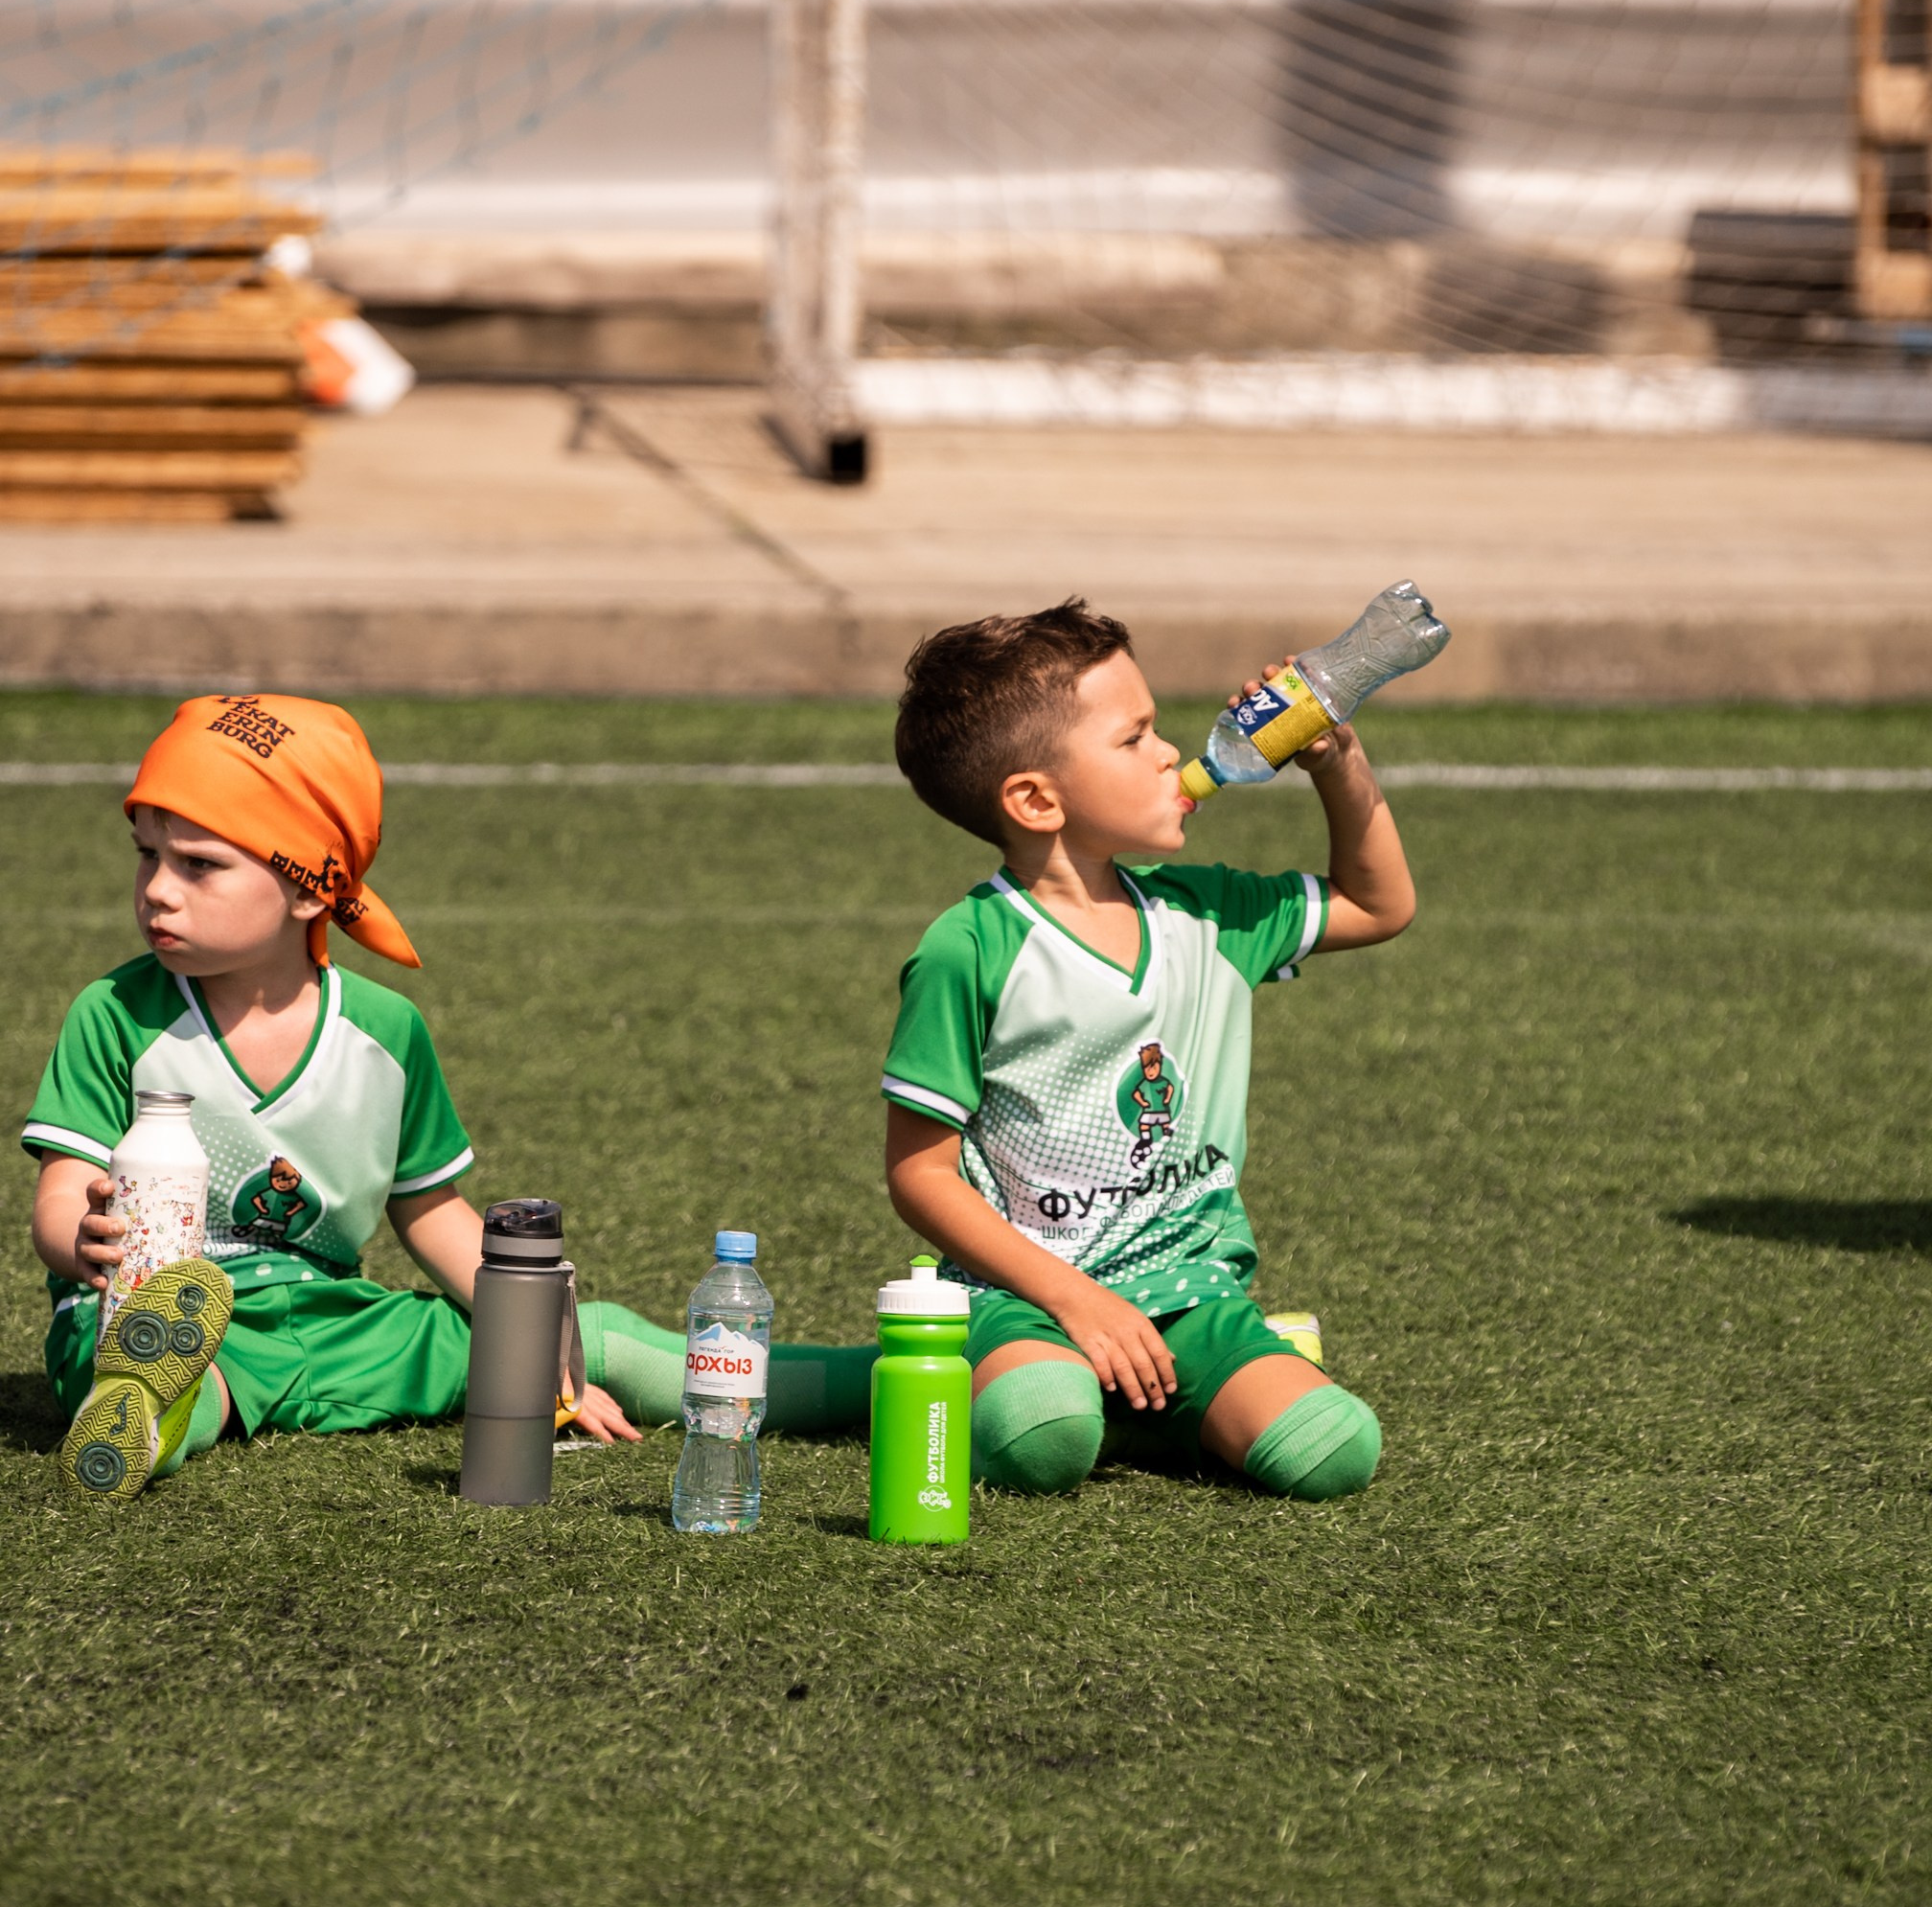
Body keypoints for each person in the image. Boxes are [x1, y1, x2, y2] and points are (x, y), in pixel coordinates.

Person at [26, 691, 874, 1503]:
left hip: (338, 1322)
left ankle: (873, 1384)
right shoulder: (115, 1015)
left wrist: (533, 1346)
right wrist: (84, 1243)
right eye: (146, 854)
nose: (158, 889)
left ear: (310, 886)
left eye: (199, 864)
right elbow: (61, 1195)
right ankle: (146, 1419)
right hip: (147, 1306)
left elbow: (431, 1212)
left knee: (589, 1339)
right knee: (154, 1370)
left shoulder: (386, 1033)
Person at [881, 601, 1414, 1501]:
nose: (1171, 752)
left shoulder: (1205, 912)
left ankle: (1152, 1386)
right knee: (1044, 1438)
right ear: (1036, 799)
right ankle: (1001, 1378)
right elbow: (920, 1175)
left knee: (1333, 1451)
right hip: (1027, 1301)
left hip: (1192, 1293)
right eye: (1135, 739)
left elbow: (1378, 906)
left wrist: (1340, 766)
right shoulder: (967, 948)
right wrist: (1078, 1303)